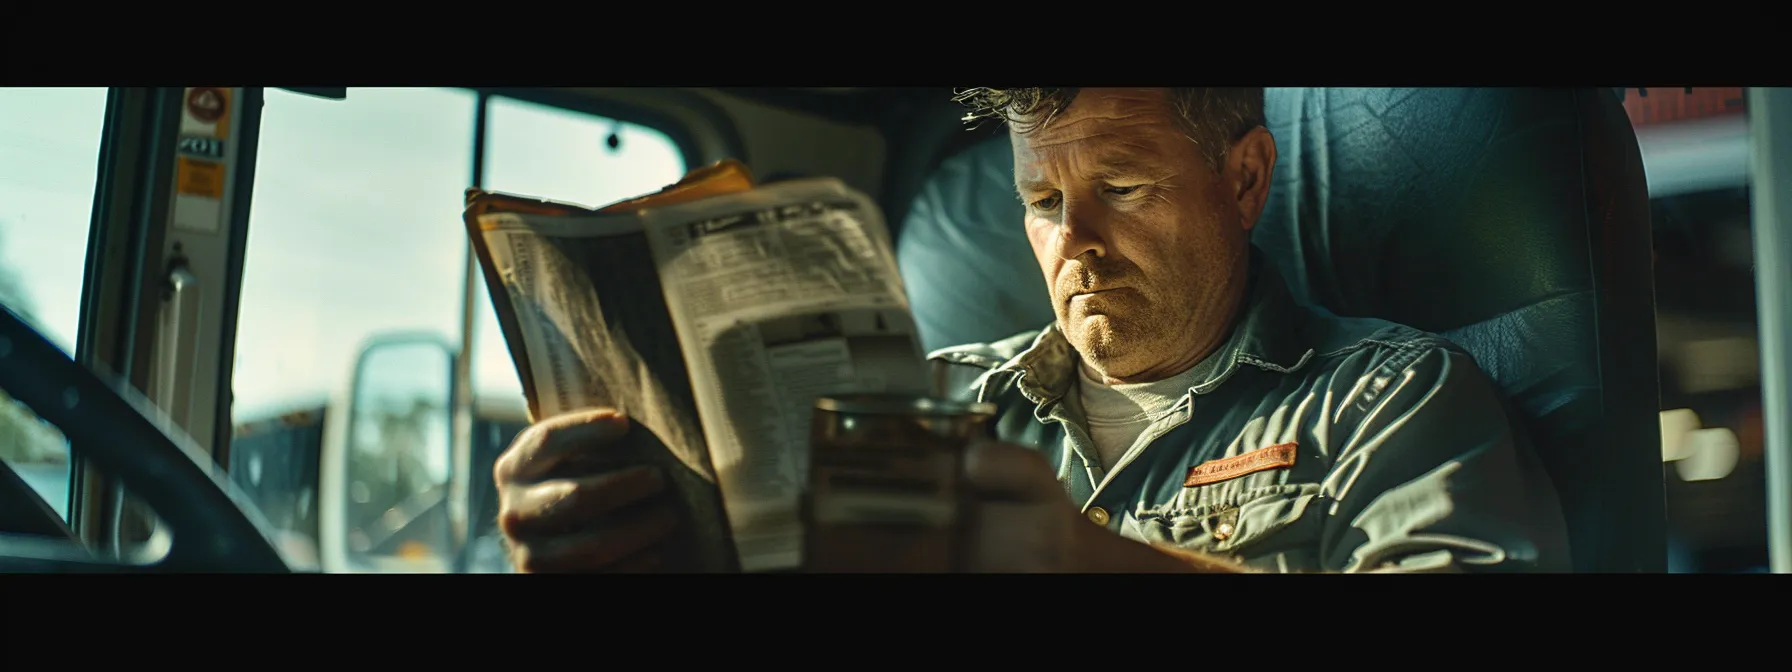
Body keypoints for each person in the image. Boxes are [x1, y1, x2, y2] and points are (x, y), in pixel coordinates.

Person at [492, 87, 1573, 573]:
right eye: (1044, 203)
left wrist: (1089, 568)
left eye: (1122, 185)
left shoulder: (1388, 400)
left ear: (1243, 181)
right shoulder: (927, 405)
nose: (1077, 243)